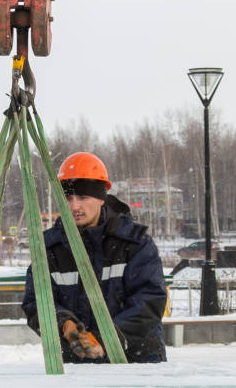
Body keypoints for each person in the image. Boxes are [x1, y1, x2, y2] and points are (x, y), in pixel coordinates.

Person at [22, 152, 167, 363]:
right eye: (68, 198)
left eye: (82, 197)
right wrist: (66, 325)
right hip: (78, 368)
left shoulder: (134, 243)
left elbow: (149, 301)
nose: (74, 207)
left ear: (101, 198)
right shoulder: (50, 248)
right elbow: (36, 301)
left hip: (136, 363)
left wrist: (107, 339)